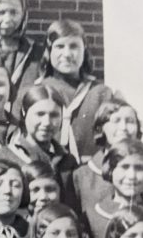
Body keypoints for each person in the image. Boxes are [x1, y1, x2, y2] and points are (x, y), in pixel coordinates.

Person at [35, 20, 116, 160]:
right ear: (49, 51)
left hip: (89, 173)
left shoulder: (101, 93)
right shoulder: (35, 91)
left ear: (84, 50)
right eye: (59, 46)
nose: (67, 54)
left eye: (74, 46)